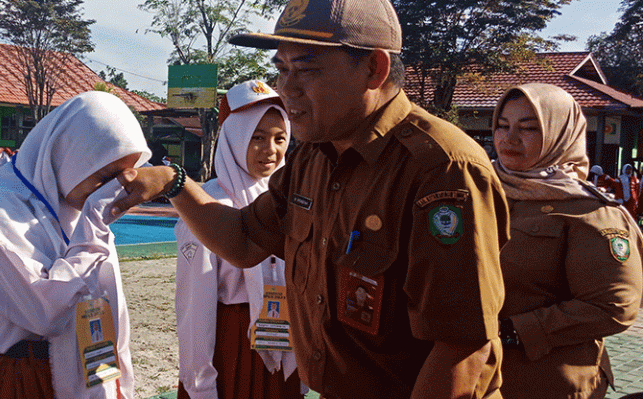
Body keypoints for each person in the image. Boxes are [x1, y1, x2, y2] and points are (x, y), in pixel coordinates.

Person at [110, 0, 510, 397]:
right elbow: (246, 239)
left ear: (375, 68)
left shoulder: (441, 170)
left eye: (306, 69)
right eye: (282, 70)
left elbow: (461, 345)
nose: (287, 90)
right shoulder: (315, 159)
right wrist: (173, 182)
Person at [0, 91, 151, 399]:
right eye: (106, 176)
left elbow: (112, 305)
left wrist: (119, 381)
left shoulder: (75, 208)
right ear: (70, 156)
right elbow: (47, 314)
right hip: (28, 379)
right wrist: (93, 227)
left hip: (91, 368)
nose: (114, 190)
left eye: (124, 177)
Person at [492, 83, 643, 399]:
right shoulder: (483, 189)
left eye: (529, 128)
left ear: (561, 134)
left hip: (545, 381)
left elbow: (614, 306)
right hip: (475, 375)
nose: (510, 138)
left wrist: (517, 330)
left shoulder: (589, 211)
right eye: (502, 125)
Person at [175, 80, 303, 399]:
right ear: (234, 138)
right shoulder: (207, 205)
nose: (270, 150)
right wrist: (201, 380)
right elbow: (194, 305)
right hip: (232, 346)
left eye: (279, 138)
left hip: (282, 338)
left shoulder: (292, 200)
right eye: (257, 137)